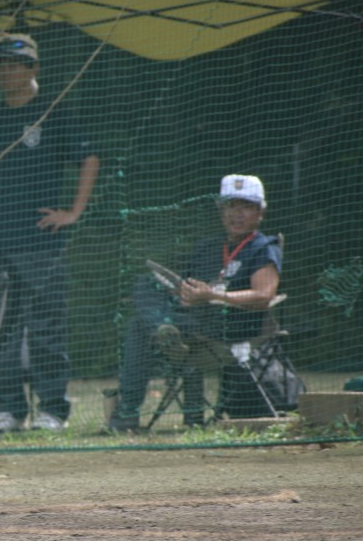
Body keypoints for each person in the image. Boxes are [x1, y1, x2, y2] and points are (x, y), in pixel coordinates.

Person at [0, 33, 99, 432]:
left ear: (33, 68)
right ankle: (10, 410)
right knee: (2, 328)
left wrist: (73, 212)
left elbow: (89, 158)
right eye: (0, 65)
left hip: (41, 243)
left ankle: (52, 409)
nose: (5, 72)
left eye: (14, 65)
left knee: (46, 327)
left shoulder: (55, 112)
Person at [109, 175, 286, 430]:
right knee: (145, 283)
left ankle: (127, 413)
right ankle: (165, 331)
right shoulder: (208, 247)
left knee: (139, 327)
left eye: (245, 207)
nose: (236, 214)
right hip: (196, 321)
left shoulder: (263, 247)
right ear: (221, 211)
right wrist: (184, 293)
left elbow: (264, 295)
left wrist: (214, 296)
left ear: (260, 212)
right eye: (230, 206)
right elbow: (189, 284)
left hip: (234, 327)